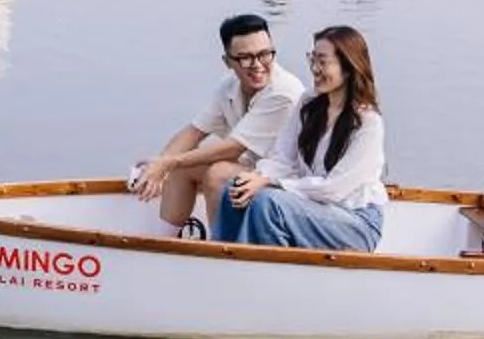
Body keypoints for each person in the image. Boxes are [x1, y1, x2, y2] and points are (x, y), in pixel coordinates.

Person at [210, 25, 389, 253]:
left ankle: (260, 272)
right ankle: (222, 261)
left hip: (355, 222)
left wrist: (270, 182)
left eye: (323, 62)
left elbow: (333, 190)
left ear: (348, 66)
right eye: (312, 59)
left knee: (268, 203)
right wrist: (256, 177)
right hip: (313, 208)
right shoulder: (309, 103)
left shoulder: (367, 122)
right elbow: (282, 158)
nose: (315, 69)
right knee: (235, 189)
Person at [129, 14, 303, 236]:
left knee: (218, 173)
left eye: (264, 54)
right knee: (184, 166)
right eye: (245, 58)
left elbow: (234, 147)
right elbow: (194, 131)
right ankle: (160, 241)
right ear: (228, 61)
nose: (258, 65)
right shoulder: (228, 86)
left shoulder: (283, 92)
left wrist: (167, 163)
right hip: (253, 171)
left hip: (286, 182)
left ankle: (220, 248)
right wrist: (157, 167)